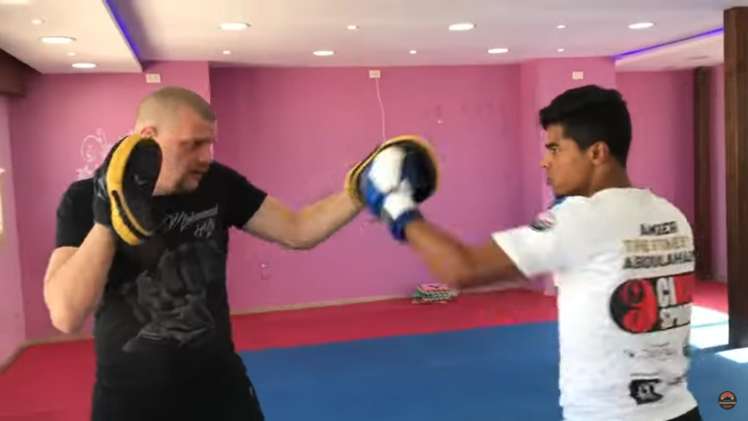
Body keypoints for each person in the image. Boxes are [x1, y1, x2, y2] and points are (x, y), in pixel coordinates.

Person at [357, 85, 701, 421]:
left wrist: (394, 203)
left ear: (596, 153)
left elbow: (463, 269)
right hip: (681, 409)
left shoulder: (580, 218)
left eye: (555, 149)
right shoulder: (671, 215)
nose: (544, 161)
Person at [43, 87, 367, 420]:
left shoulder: (218, 183)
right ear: (148, 138)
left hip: (220, 393)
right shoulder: (83, 198)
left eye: (209, 143)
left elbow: (297, 230)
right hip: (130, 402)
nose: (205, 157)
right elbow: (66, 315)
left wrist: (360, 190)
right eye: (193, 144)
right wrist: (108, 216)